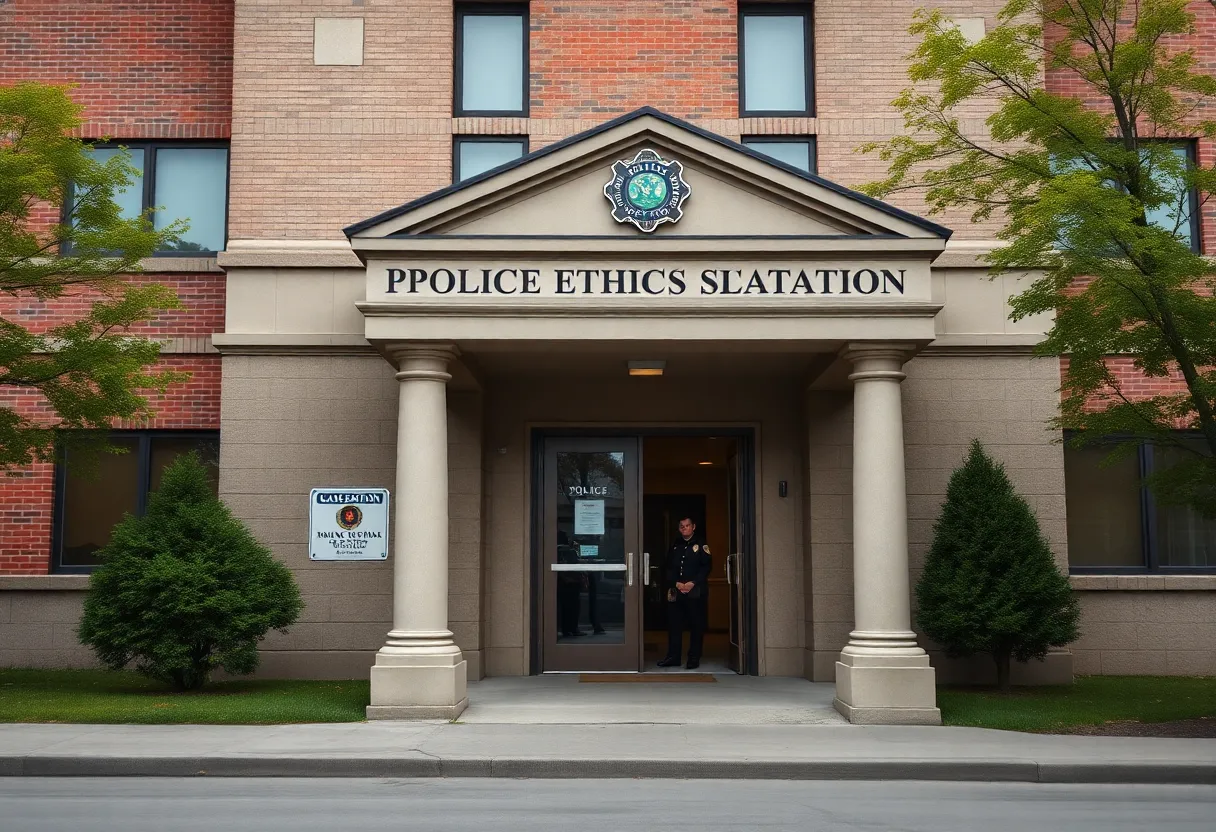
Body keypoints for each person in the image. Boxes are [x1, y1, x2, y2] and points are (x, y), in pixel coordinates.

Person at [657, 516, 711, 669]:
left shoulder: (701, 544)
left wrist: (692, 582)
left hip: (695, 590)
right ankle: (673, 657)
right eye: (682, 526)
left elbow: (706, 567)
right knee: (674, 625)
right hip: (676, 589)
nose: (684, 528)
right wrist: (676, 583)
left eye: (687, 526)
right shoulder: (675, 544)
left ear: (693, 527)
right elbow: (667, 566)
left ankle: (693, 658)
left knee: (696, 625)